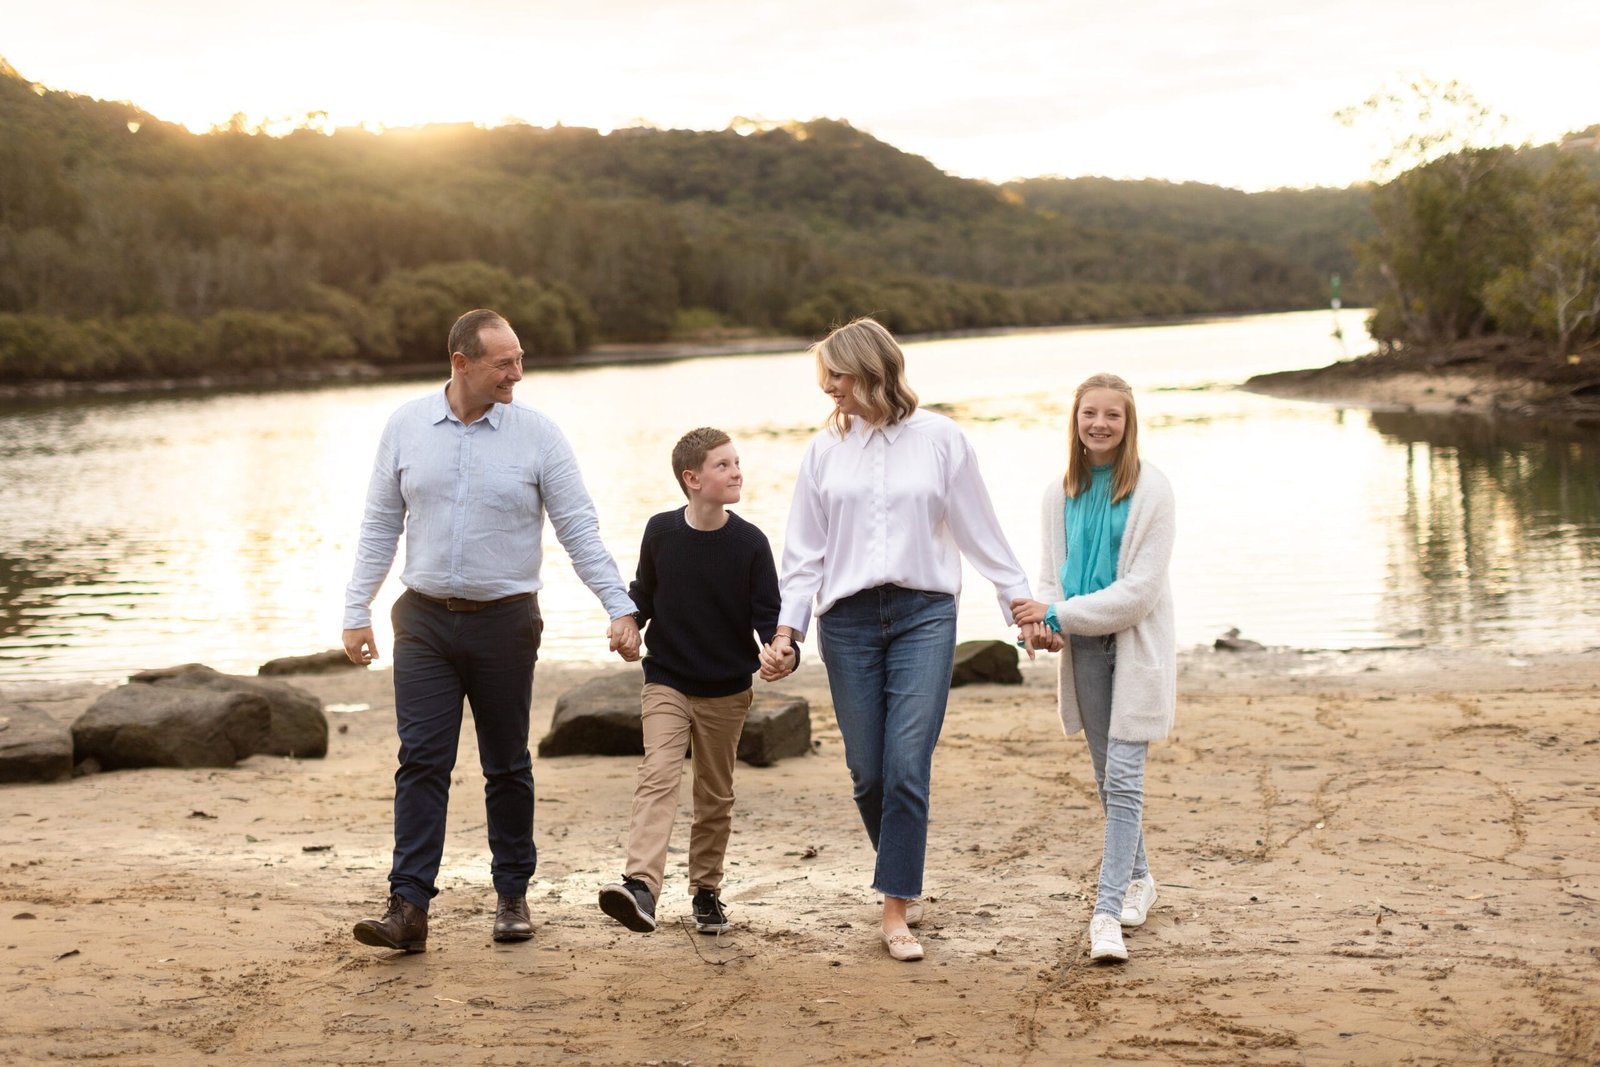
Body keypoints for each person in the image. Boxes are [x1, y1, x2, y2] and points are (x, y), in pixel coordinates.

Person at [341, 307, 641, 953]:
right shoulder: (405, 426)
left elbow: (579, 528)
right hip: (421, 619)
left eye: (520, 358)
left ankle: (511, 894)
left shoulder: (538, 435)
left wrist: (620, 608)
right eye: (504, 362)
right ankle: (408, 906)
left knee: (506, 763)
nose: (517, 373)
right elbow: (378, 525)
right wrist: (355, 608)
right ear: (461, 362)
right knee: (422, 759)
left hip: (506, 621)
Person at [761, 316, 1031, 963]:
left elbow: (978, 528)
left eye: (838, 375)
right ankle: (902, 875)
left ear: (874, 370)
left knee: (908, 763)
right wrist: (785, 630)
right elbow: (803, 551)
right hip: (847, 621)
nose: (829, 388)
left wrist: (1017, 601)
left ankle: (895, 907)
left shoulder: (940, 437)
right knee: (867, 773)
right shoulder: (824, 450)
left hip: (924, 614)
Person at [598, 428, 795, 936]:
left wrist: (782, 652)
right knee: (658, 775)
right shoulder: (661, 531)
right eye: (723, 465)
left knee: (715, 795)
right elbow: (644, 591)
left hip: (727, 688)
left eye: (736, 463)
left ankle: (706, 891)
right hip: (667, 678)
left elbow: (771, 619)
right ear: (692, 479)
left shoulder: (749, 543)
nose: (736, 472)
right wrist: (626, 621)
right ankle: (641, 886)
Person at [1010, 372, 1176, 964]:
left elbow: (1138, 593)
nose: (1100, 424)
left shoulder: (1152, 491)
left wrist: (1057, 611)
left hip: (1134, 652)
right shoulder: (1060, 492)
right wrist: (1047, 626)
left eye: (1113, 415)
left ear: (1129, 425)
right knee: (1111, 784)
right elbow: (1053, 575)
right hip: (1084, 653)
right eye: (1090, 414)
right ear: (1075, 421)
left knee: (1125, 782)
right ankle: (1142, 880)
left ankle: (1106, 913)